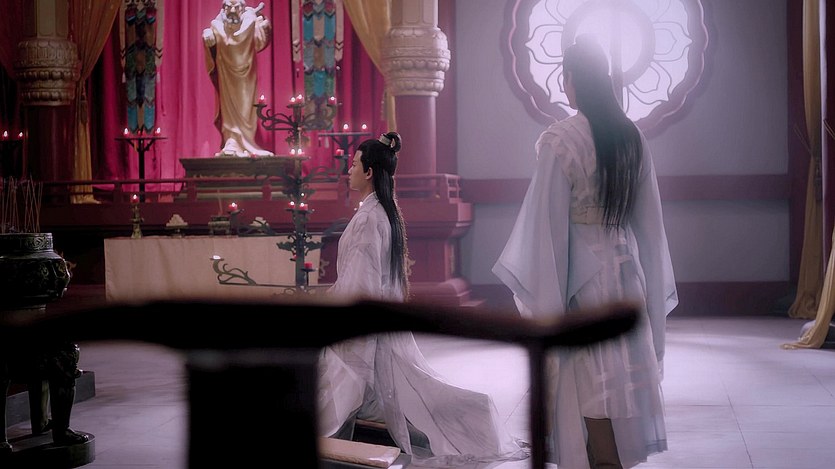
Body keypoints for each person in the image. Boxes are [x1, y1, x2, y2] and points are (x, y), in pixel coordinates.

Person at [492, 35, 678, 469]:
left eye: (566, 78)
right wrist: (651, 300)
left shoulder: (561, 140)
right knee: (622, 378)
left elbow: (547, 229)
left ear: (572, 78)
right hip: (627, 274)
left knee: (590, 380)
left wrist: (547, 305)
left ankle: (601, 461)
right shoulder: (631, 137)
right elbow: (652, 231)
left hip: (582, 280)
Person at [318, 132, 528, 467]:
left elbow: (362, 285)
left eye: (354, 165)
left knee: (335, 383)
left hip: (364, 323)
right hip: (374, 320)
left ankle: (476, 419)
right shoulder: (383, 213)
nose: (349, 171)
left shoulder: (370, 219)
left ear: (369, 172)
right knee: (406, 388)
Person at [202, 0, 273, 157]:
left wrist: (262, 25)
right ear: (224, 8)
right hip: (226, 75)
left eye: (236, 7)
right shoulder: (217, 26)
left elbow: (260, 41)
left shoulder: (250, 21)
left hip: (247, 76)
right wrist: (207, 37)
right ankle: (231, 140)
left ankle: (247, 142)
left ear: (242, 8)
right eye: (229, 6)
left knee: (246, 107)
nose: (232, 10)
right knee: (228, 107)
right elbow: (211, 39)